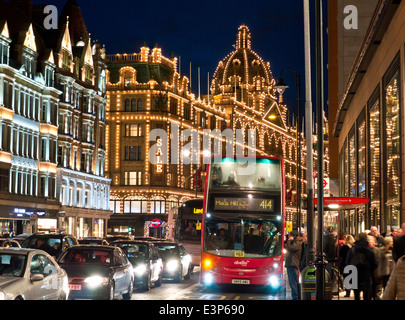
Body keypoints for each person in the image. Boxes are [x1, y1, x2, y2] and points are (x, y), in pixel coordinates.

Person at [346, 232, 378, 300]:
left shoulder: (352, 249)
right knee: (366, 295)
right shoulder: (369, 250)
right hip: (366, 274)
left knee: (356, 295)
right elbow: (374, 264)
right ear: (366, 239)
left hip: (354, 274)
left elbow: (347, 262)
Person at [284, 231, 302, 300]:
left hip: (293, 264)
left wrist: (288, 242)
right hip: (290, 264)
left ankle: (296, 296)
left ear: (293, 236)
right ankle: (294, 295)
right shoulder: (293, 243)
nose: (289, 237)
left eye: (290, 236)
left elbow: (291, 248)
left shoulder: (297, 243)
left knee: (294, 281)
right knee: (291, 282)